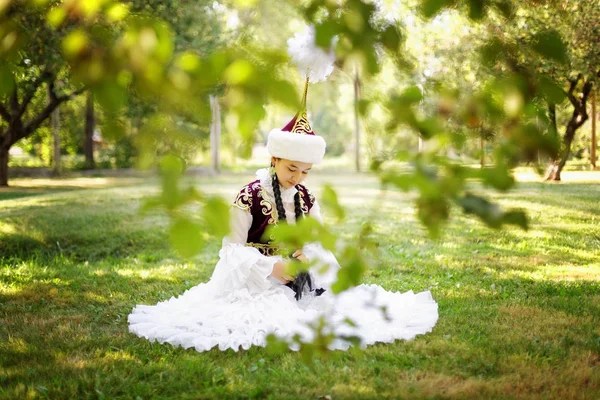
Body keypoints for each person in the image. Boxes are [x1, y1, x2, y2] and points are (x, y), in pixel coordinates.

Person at [128, 80, 439, 352]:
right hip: (255, 284)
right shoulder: (248, 196)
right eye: (292, 168)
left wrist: (309, 254)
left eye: (305, 171)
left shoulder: (307, 198)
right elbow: (230, 249)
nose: (298, 177)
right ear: (274, 158)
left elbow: (319, 243)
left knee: (335, 312)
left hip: (299, 285)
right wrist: (272, 268)